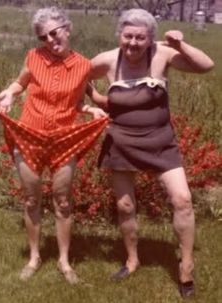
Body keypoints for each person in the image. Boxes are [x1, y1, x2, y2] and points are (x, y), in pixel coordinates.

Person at [90, 8, 214, 297]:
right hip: (120, 142)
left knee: (182, 200)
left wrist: (179, 44)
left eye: (140, 37)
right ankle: (132, 260)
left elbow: (205, 66)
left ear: (150, 39)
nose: (133, 43)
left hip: (160, 141)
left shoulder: (162, 54)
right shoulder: (107, 59)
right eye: (127, 36)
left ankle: (186, 267)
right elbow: (73, 76)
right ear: (120, 34)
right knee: (125, 206)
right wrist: (91, 101)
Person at [0, 6, 108, 284]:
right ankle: (34, 257)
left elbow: (79, 99)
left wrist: (90, 110)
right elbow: (21, 83)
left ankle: (64, 261)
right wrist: (10, 93)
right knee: (32, 198)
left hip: (63, 140)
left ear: (67, 29)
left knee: (63, 200)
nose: (50, 40)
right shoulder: (33, 57)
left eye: (55, 32)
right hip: (29, 135)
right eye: (43, 36)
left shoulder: (84, 65)